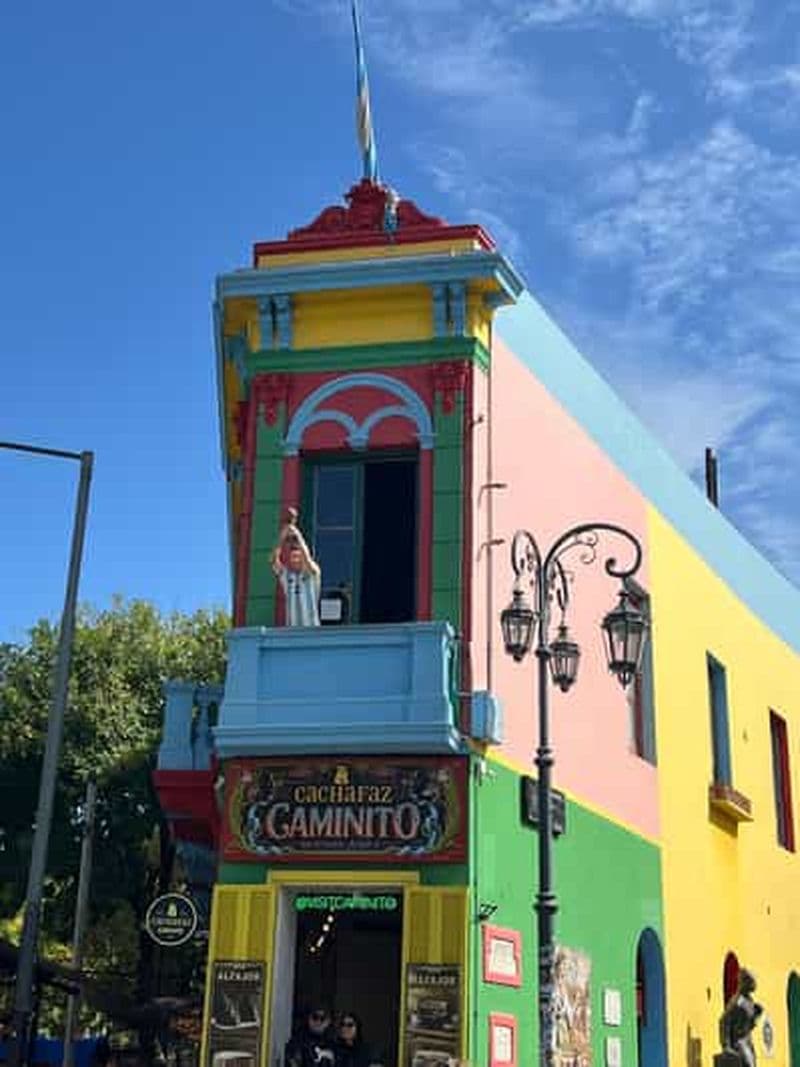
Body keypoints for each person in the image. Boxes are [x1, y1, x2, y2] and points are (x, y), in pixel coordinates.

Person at [271, 509, 321, 627]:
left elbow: (307, 558)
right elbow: (273, 560)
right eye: (292, 557)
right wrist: (282, 536)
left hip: (311, 630)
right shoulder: (287, 576)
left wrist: (297, 535)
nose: (295, 560)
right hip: (292, 631)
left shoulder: (312, 573)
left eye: (298, 556)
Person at [719, 968, 763, 1067]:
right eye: (751, 982)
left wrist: (756, 1015)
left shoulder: (749, 1000)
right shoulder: (737, 1001)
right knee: (748, 1064)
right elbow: (724, 1021)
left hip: (748, 1040)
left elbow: (748, 1025)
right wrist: (726, 1045)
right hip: (738, 1041)